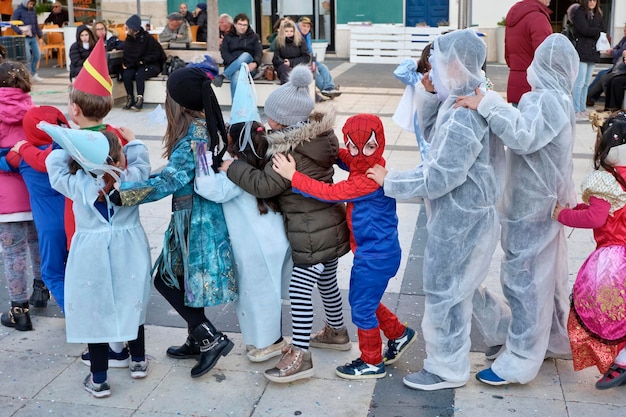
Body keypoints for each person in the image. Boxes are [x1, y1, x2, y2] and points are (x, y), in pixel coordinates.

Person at [367, 29, 503, 391]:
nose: (432, 72)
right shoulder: (457, 101)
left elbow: (440, 175)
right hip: (462, 213)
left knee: (446, 290)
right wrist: (428, 94)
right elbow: (431, 137)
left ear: (455, 65)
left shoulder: (464, 114)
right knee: (465, 286)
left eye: (438, 65)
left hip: (464, 217)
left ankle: (447, 367)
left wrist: (390, 181)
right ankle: (505, 332)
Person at [454, 33, 579, 386]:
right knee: (547, 278)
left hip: (532, 209)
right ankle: (553, 340)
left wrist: (487, 104)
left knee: (524, 281)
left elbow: (522, 136)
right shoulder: (559, 100)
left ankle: (521, 358)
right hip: (542, 204)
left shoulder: (544, 101)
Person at [223, 65, 351, 383]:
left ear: (289, 122)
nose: (268, 122)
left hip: (312, 233)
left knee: (299, 290)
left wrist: (233, 166)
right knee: (328, 283)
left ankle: (301, 355)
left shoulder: (291, 154)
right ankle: (336, 333)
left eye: (273, 118)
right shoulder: (316, 137)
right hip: (329, 226)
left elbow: (265, 186)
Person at [112, 67, 238, 379]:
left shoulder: (193, 137)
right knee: (184, 280)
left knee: (164, 279)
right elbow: (174, 173)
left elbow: (171, 180)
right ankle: (195, 339)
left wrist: (123, 195)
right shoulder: (200, 128)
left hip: (193, 220)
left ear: (178, 101)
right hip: (196, 214)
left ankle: (209, 337)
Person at [272, 113, 416, 380]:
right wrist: (318, 140)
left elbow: (329, 193)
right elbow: (347, 157)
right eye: (353, 145)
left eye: (369, 146)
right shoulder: (369, 164)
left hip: (376, 256)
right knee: (366, 300)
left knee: (361, 306)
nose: (360, 154)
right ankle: (398, 333)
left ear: (380, 143)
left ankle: (371, 361)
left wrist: (293, 176)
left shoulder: (368, 179)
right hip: (375, 252)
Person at [45, 126, 152, 399]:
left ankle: (99, 379)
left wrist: (70, 145)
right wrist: (133, 140)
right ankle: (138, 361)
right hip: (129, 248)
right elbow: (142, 161)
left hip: (90, 251)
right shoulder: (130, 178)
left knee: (95, 310)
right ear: (118, 158)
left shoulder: (77, 182)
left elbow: (54, 165)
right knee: (132, 301)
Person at [194, 65, 292, 362]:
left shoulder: (235, 172)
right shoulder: (261, 160)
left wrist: (202, 154)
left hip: (256, 247)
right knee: (261, 295)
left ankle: (266, 343)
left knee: (258, 296)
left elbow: (207, 188)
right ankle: (262, 340)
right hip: (271, 242)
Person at [553, 112, 626, 390]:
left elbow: (596, 218)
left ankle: (621, 361)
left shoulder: (607, 181)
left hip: (613, 262)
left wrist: (563, 215)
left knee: (607, 312)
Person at [4, 106, 69, 312]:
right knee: (73, 268)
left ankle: (75, 313)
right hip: (73, 217)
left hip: (48, 224)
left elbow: (5, 162)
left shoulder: (22, 159)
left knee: (51, 273)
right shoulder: (66, 151)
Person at [0, 60, 41, 330]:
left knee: (13, 253)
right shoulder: (34, 110)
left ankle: (19, 310)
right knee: (38, 244)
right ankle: (42, 288)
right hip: (35, 192)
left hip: (6, 198)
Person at [503, 0, 552, 105]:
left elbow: (508, 57)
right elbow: (546, 57)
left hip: (515, 81)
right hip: (534, 85)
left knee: (519, 119)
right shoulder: (538, 18)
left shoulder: (514, 15)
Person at [392, 44, 432, 160]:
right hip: (423, 116)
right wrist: (415, 63)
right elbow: (400, 72)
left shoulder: (445, 76)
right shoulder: (419, 78)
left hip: (438, 116)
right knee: (426, 150)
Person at [121, 14, 166, 111]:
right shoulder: (129, 39)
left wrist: (142, 61)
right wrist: (131, 63)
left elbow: (156, 53)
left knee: (139, 75)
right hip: (134, 65)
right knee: (127, 75)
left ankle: (140, 99)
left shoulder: (147, 38)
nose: (126, 29)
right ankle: (130, 98)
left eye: (128, 27)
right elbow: (127, 54)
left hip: (150, 64)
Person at [214, 13, 263, 99]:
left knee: (246, 55)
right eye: (240, 24)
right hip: (232, 67)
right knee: (237, 74)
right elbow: (224, 53)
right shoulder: (228, 37)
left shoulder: (254, 37)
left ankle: (223, 76)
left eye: (245, 25)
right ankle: (236, 109)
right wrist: (236, 64)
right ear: (235, 24)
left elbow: (259, 52)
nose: (242, 27)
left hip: (249, 67)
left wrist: (255, 63)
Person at [571, 0, 605, 119]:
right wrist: (596, 30)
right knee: (579, 82)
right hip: (582, 51)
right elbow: (584, 30)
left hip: (593, 51)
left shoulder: (598, 14)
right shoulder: (579, 12)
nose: (592, 2)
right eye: (589, 0)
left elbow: (603, 30)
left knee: (586, 82)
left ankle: (582, 108)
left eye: (594, 0)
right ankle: (575, 109)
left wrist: (594, 30)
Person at [297, 17, 341, 99]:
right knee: (314, 72)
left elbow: (310, 51)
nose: (306, 28)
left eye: (308, 26)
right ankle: (326, 90)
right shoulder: (296, 37)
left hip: (308, 60)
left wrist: (314, 62)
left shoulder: (307, 36)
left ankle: (329, 87)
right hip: (300, 62)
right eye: (304, 26)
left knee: (323, 67)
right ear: (298, 25)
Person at [587, 23, 626, 106]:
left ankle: (590, 97)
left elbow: (621, 53)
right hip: (616, 66)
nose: (624, 32)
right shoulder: (624, 39)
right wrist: (613, 50)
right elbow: (617, 49)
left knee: (605, 78)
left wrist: (612, 52)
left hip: (621, 69)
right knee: (603, 75)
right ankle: (589, 97)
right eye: (624, 30)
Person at [11, 1, 43, 82]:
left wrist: (40, 36)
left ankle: (33, 72)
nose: (31, 6)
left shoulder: (33, 11)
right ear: (26, 3)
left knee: (37, 55)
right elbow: (13, 24)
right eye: (30, 4)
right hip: (24, 37)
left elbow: (36, 24)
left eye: (32, 4)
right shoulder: (18, 11)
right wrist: (20, 31)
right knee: (27, 56)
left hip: (32, 36)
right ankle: (28, 74)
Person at [272, 19, 310, 85]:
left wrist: (291, 62)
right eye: (286, 31)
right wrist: (284, 62)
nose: (289, 33)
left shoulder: (300, 40)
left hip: (298, 65)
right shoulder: (279, 42)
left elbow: (306, 57)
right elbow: (275, 58)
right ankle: (287, 89)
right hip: (283, 66)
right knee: (284, 69)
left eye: (291, 31)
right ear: (282, 32)